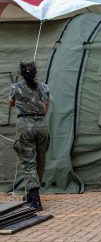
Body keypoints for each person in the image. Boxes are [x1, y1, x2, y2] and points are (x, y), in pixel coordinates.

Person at [9, 58, 50, 211]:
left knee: (28, 162)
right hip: (42, 125)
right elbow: (46, 109)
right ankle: (32, 194)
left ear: (20, 73)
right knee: (40, 160)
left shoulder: (16, 87)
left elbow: (11, 103)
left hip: (25, 125)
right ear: (35, 72)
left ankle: (35, 199)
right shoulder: (44, 88)